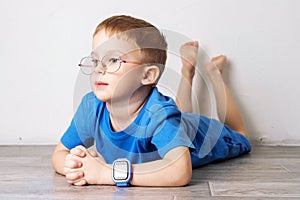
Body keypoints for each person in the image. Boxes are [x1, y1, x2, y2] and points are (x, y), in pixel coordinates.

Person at [52, 15, 251, 187]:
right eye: (95, 60)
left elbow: (180, 171)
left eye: (113, 60)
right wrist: (76, 167)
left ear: (147, 75)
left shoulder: (161, 115)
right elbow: (60, 153)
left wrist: (107, 173)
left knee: (240, 134)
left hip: (200, 132)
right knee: (179, 114)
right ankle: (187, 71)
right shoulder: (91, 106)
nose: (99, 69)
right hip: (176, 119)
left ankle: (214, 74)